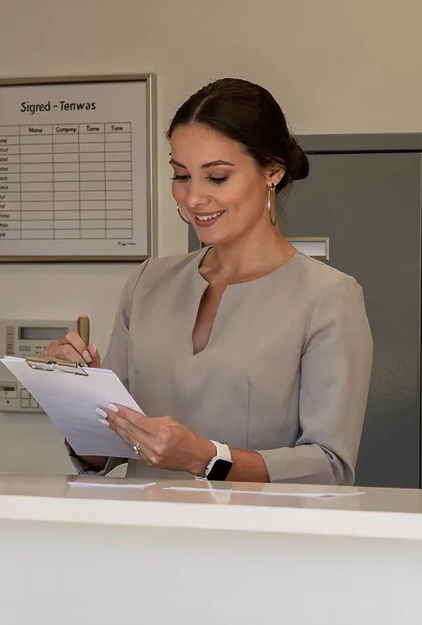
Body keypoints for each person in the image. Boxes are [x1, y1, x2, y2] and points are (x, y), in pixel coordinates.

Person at [44, 78, 374, 484]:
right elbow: (105, 455)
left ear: (272, 171)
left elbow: (330, 467)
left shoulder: (328, 296)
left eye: (216, 177)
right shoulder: (147, 283)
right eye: (181, 176)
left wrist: (206, 458)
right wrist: (76, 394)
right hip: (147, 538)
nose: (193, 198)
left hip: (252, 543)